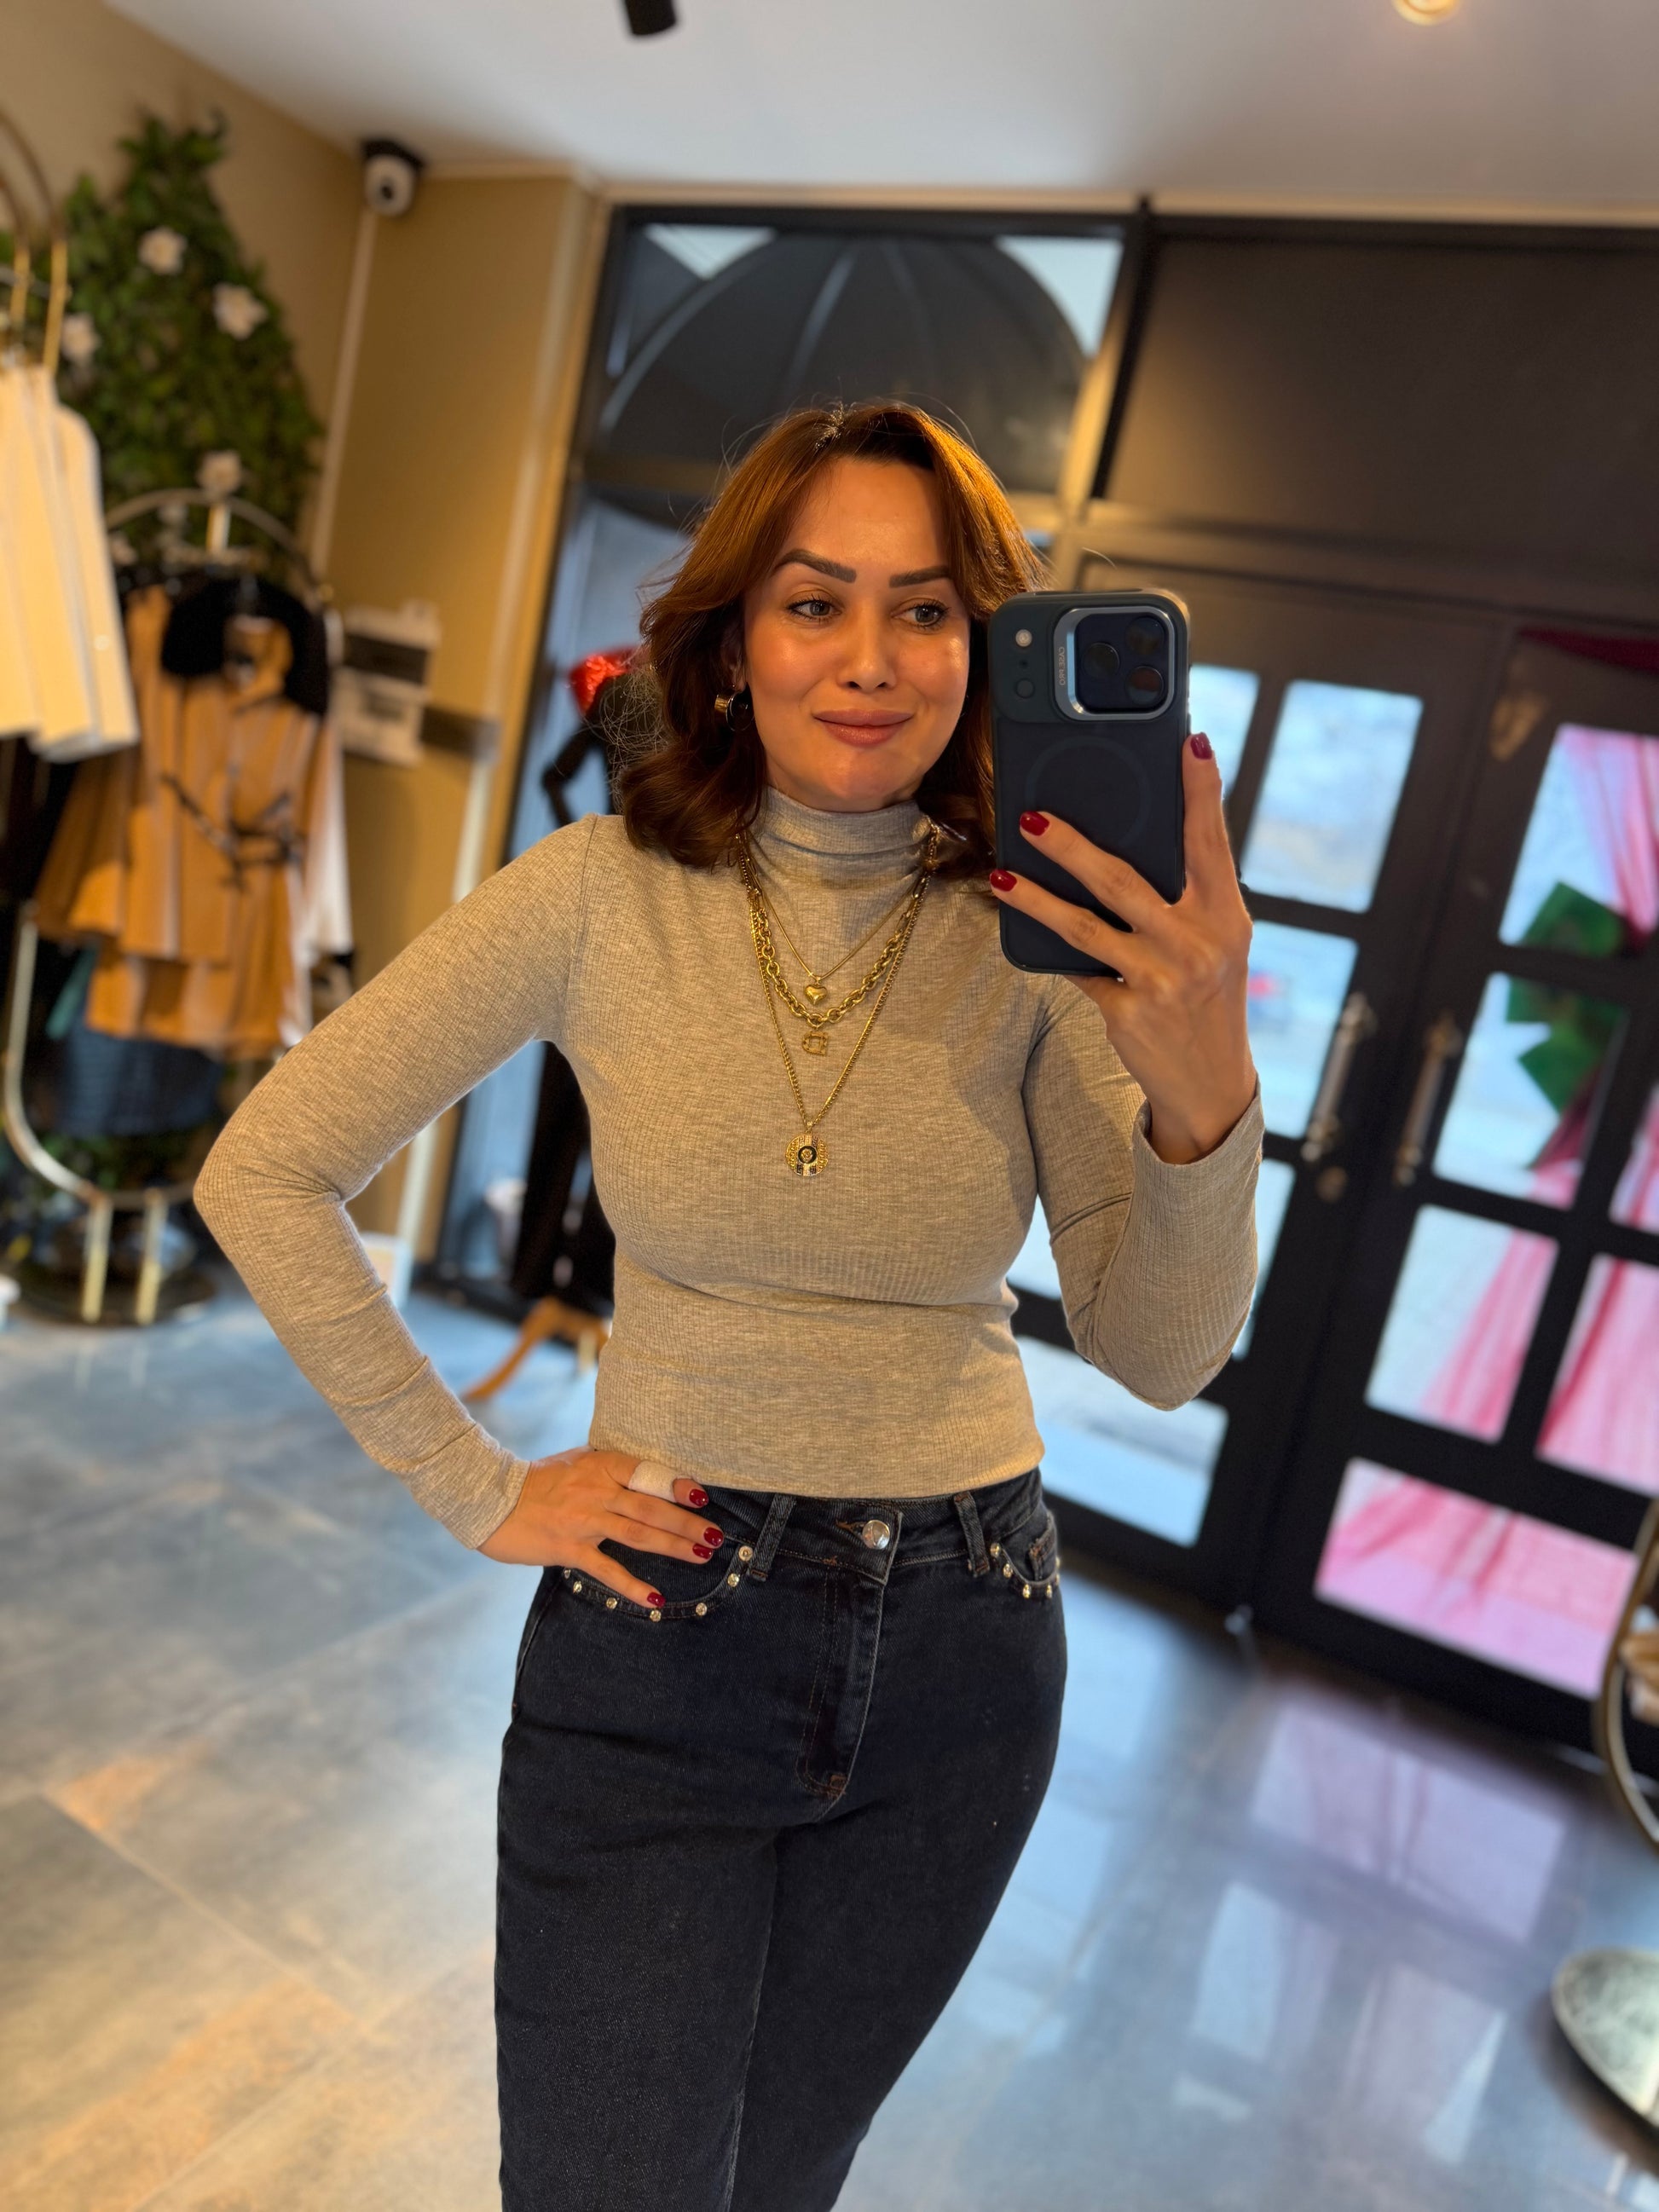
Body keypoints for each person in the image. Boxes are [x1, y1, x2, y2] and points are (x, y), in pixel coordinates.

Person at [195, 400, 1262, 2211]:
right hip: (664, 1628)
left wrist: (1204, 1092)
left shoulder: (1046, 937)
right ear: (733, 639)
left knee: (780, 2184)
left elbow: (1162, 1354)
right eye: (813, 600)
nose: (868, 658)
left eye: (924, 610)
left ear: (982, 648)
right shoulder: (595, 895)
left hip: (968, 1644)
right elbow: (269, 1166)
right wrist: (475, 1482)